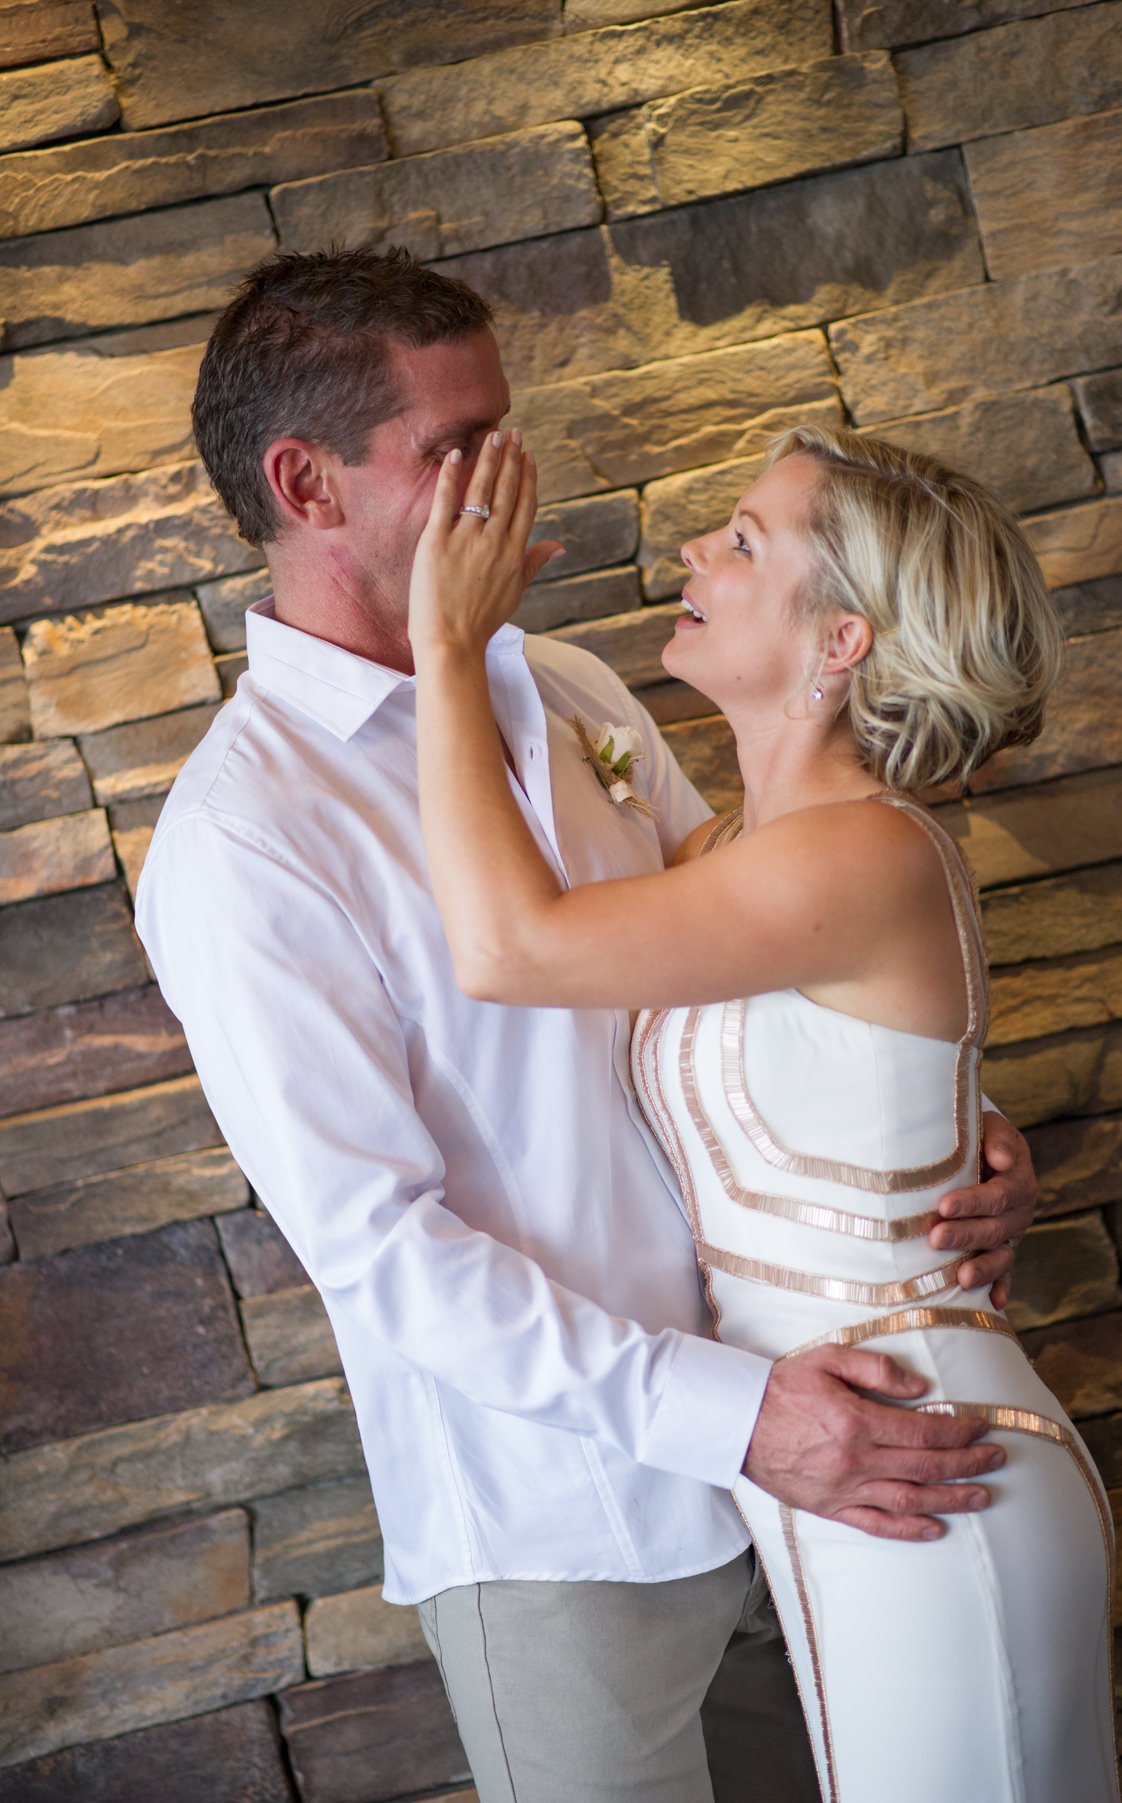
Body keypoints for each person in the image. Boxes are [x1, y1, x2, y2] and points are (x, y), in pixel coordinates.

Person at [135, 246, 1038, 1803]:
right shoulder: (244, 838)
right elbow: (380, 1250)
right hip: (570, 1519)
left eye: (504, 430)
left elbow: (763, 966)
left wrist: (932, 1134)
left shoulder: (566, 690)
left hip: (807, 1458)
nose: (509, 481)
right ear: (308, 483)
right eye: (453, 449)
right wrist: (732, 1416)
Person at [404, 421, 1119, 1803]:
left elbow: (511, 948)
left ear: (843, 640)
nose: (695, 552)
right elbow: (829, 1063)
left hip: (928, 1465)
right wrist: (967, 1119)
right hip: (843, 1467)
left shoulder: (865, 849)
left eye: (744, 541)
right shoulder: (736, 851)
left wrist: (442, 648)